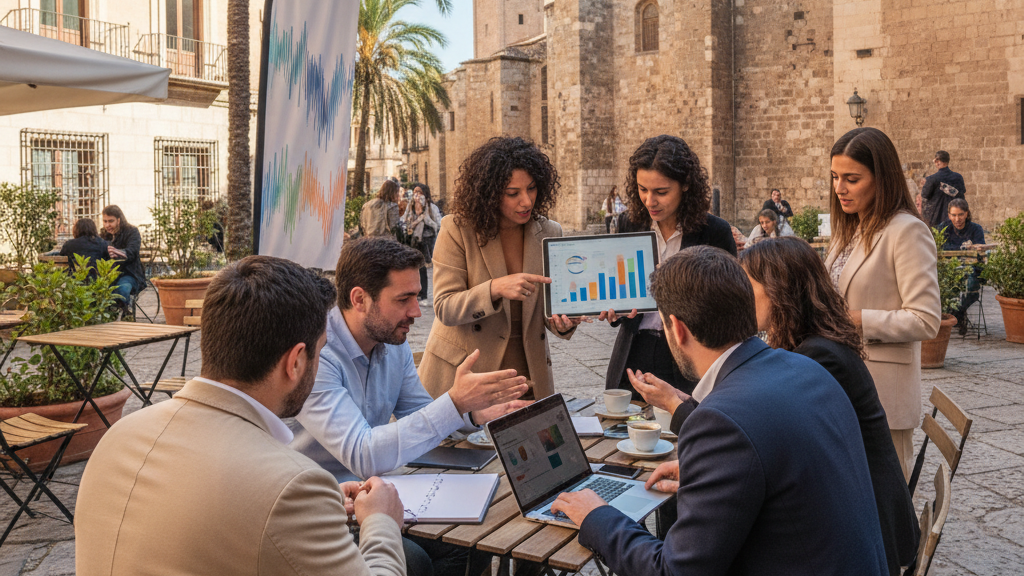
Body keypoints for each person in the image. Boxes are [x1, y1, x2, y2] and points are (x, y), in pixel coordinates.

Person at [551, 245, 888, 576]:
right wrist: (713, 475)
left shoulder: (720, 421)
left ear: (677, 329)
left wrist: (597, 515)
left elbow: (673, 570)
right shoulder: (805, 367)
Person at [75, 256, 406, 576]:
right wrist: (381, 522)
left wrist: (324, 503)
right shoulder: (291, 483)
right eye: (320, 352)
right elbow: (258, 496)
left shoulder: (118, 435)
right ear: (295, 362)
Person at [290, 237, 528, 576]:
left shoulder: (390, 338)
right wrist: (455, 402)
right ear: (359, 299)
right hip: (322, 504)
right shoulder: (320, 352)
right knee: (414, 558)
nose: (416, 311)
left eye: (417, 296)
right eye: (404, 299)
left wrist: (473, 411)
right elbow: (364, 453)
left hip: (376, 494)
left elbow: (417, 411)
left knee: (472, 539)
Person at [738, 237, 920, 575]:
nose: (742, 296)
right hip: (860, 509)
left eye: (748, 285)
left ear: (779, 290)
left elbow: (775, 437)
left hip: (867, 531)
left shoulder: (818, 356)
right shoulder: (815, 342)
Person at [419, 136, 581, 401]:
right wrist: (494, 289)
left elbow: (549, 313)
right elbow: (445, 307)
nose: (527, 201)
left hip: (527, 376)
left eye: (531, 188)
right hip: (467, 376)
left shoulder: (550, 232)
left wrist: (564, 322)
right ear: (489, 192)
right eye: (513, 193)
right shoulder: (457, 229)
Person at [824, 127, 941, 479]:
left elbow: (926, 319)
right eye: (834, 177)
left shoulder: (906, 231)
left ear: (882, 179)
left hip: (883, 394)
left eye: (851, 179)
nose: (839, 188)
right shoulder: (850, 229)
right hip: (843, 385)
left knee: (884, 507)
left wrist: (856, 318)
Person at [604, 135, 737, 400]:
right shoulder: (629, 224)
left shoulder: (715, 232)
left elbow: (729, 308)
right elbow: (620, 286)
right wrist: (615, 309)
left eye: (661, 192)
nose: (649, 200)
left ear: (686, 185)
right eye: (642, 189)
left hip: (689, 357)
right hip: (634, 350)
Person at [939, 198, 986, 332]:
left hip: (971, 270)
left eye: (960, 214)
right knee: (945, 288)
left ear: (966, 214)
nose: (957, 218)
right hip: (950, 270)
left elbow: (981, 250)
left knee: (971, 288)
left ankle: (957, 313)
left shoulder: (976, 229)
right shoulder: (943, 228)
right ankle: (956, 314)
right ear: (949, 215)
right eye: (953, 215)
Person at [99, 205, 146, 310]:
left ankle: (125, 314)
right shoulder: (103, 234)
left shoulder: (132, 231)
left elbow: (132, 252)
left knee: (122, 289)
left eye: (111, 221)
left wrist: (119, 252)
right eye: (105, 221)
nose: (107, 225)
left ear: (119, 220)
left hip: (130, 273)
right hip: (108, 275)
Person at [404, 183, 442, 301]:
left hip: (427, 240)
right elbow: (404, 221)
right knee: (416, 267)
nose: (417, 195)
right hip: (414, 240)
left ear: (425, 194)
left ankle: (428, 293)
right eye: (415, 192)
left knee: (427, 268)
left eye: (420, 192)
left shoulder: (431, 208)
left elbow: (438, 225)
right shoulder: (410, 207)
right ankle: (417, 292)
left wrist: (425, 217)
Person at [921, 150, 966, 227]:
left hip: (935, 220)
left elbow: (924, 194)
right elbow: (962, 193)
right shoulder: (958, 177)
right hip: (955, 219)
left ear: (937, 161)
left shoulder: (932, 179)